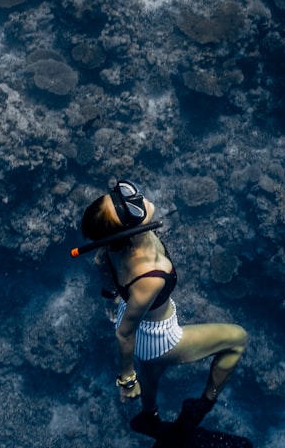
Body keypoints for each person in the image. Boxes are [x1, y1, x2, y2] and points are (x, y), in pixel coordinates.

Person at [80, 180, 248, 434]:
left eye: (122, 193)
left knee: (152, 370)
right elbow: (124, 333)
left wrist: (112, 295)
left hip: (133, 313)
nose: (137, 199)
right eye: (131, 210)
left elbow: (100, 261)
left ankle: (150, 416)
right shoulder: (150, 273)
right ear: (126, 230)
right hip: (159, 338)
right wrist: (127, 381)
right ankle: (201, 406)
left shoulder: (113, 244)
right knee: (237, 338)